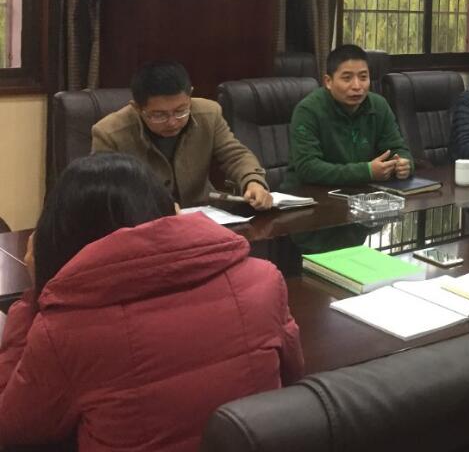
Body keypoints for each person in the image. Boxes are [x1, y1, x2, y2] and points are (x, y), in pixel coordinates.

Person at [0, 153, 303, 451]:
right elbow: (293, 378)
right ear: (168, 212)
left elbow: (11, 425)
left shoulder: (64, 330)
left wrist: (33, 300)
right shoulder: (264, 280)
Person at [92, 60, 271, 209]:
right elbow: (107, 193)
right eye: (159, 115)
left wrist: (253, 182)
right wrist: (153, 207)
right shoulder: (109, 133)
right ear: (137, 108)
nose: (172, 122)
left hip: (202, 214)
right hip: (143, 221)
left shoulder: (209, 113)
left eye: (180, 110)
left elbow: (235, 155)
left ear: (190, 95)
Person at [287, 44, 413, 187]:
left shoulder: (379, 105)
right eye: (347, 78)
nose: (357, 86)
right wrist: (366, 171)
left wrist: (404, 164)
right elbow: (308, 168)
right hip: (309, 194)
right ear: (328, 82)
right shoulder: (308, 110)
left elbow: (398, 148)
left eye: (363, 77)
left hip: (360, 193)